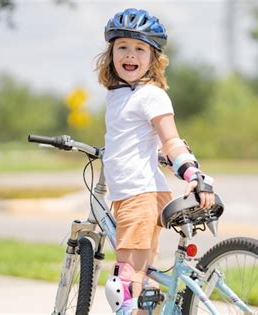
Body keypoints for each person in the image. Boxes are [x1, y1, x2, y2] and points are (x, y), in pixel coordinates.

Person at [96, 8, 215, 314]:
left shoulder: (151, 94)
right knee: (143, 279)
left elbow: (171, 140)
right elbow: (136, 140)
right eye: (122, 46)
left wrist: (192, 174)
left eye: (140, 49)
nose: (130, 55)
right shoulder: (119, 93)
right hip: (133, 195)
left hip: (139, 196)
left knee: (123, 284)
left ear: (153, 58)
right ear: (110, 53)